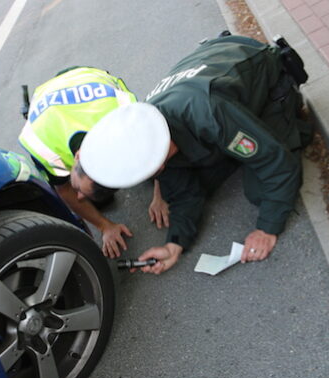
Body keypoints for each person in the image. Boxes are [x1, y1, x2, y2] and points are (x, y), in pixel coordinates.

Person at [70, 34, 313, 274]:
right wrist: (174, 245)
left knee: (262, 187)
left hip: (263, 75)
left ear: (156, 168)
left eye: (79, 189)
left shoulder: (206, 113)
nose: (77, 197)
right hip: (218, 73)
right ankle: (243, 135)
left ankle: (291, 113)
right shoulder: (144, 134)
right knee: (199, 179)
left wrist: (267, 229)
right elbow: (184, 194)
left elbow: (275, 161)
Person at [18, 66, 138, 258]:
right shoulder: (42, 144)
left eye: (80, 191)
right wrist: (104, 226)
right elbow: (65, 190)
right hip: (55, 91)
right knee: (91, 200)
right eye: (79, 189)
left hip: (90, 82)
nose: (79, 196)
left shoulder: (125, 121)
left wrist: (160, 195)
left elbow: (156, 148)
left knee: (99, 198)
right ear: (77, 157)